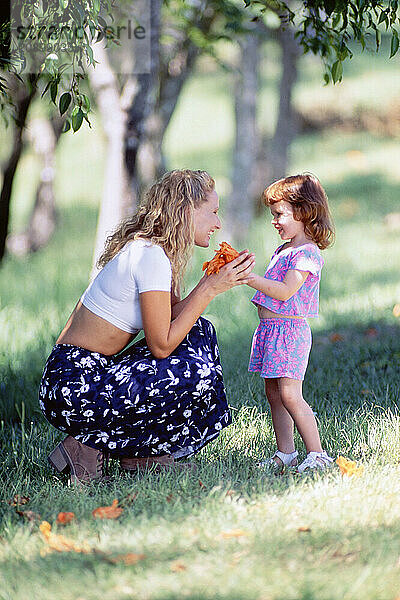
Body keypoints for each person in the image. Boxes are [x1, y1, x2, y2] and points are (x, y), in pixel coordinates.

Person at [39, 169, 255, 484]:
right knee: (189, 369)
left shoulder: (157, 254)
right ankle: (85, 446)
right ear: (186, 211)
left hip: (87, 376)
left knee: (199, 333)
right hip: (73, 386)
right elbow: (162, 345)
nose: (218, 223)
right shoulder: (150, 256)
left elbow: (171, 323)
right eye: (213, 212)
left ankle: (140, 454)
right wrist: (209, 289)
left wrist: (210, 282)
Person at [246, 173, 335, 473]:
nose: (274, 221)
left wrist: (250, 278)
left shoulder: (307, 254)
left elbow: (284, 291)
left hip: (290, 333)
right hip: (271, 333)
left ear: (303, 211)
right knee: (273, 393)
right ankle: (286, 452)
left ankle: (318, 453)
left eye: (279, 214)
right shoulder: (284, 250)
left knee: (290, 394)